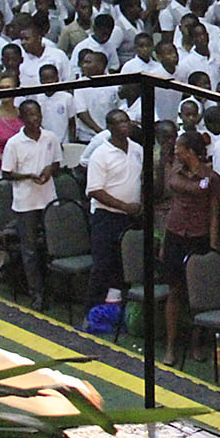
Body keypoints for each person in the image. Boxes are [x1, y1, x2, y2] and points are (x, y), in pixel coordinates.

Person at [161, 131, 220, 366]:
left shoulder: (210, 178)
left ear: (191, 151)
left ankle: (196, 343)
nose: (177, 151)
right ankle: (170, 346)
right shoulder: (175, 171)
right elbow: (172, 198)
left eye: (180, 148)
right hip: (175, 233)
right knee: (174, 290)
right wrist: (164, 242)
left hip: (198, 235)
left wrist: (213, 244)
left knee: (196, 295)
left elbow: (214, 212)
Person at [0, 98, 61, 312]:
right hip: (26, 202)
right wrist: (28, 176)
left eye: (38, 114)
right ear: (22, 118)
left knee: (52, 247)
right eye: (31, 115)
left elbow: (57, 163)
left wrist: (49, 170)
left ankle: (54, 290)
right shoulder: (14, 143)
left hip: (48, 198)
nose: (35, 119)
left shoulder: (50, 137)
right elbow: (6, 173)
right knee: (30, 250)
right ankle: (37, 293)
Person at [85, 108, 143, 311]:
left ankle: (118, 311)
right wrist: (124, 206)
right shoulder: (101, 154)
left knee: (123, 266)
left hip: (131, 218)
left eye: (126, 121)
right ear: (109, 127)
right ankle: (91, 312)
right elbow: (95, 190)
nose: (125, 125)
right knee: (102, 266)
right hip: (106, 217)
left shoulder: (137, 149)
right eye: (119, 122)